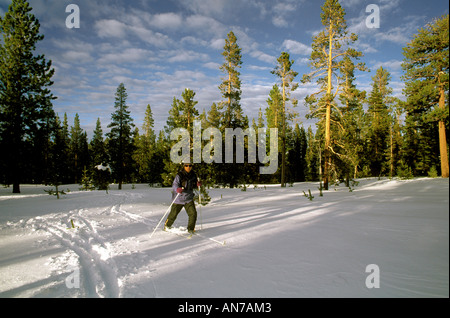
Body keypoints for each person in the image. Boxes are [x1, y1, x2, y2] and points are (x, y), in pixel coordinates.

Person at [164, 163, 201, 234]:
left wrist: (197, 184)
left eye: (190, 166)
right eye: (186, 166)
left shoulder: (193, 175)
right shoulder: (179, 175)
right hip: (179, 198)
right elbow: (174, 185)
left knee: (193, 214)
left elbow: (194, 185)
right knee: (173, 214)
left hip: (188, 198)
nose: (188, 167)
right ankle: (167, 226)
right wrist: (177, 189)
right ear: (184, 166)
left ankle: (190, 229)